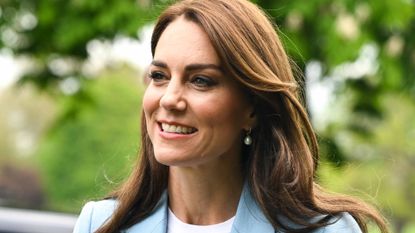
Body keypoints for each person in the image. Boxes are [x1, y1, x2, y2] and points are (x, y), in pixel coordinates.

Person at [73, 0, 389, 232]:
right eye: (159, 75)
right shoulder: (100, 225)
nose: (169, 99)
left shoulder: (327, 231)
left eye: (201, 80)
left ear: (252, 107)